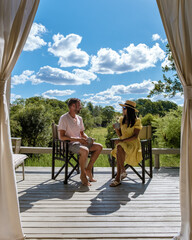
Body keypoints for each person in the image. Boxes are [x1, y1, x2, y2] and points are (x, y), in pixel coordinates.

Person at [58, 98, 103, 186]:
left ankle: (88, 169)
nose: (81, 107)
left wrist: (88, 139)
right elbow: (62, 136)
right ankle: (83, 176)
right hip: (68, 144)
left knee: (99, 147)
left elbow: (82, 133)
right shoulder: (64, 118)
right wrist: (78, 139)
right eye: (79, 105)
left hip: (80, 144)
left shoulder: (79, 118)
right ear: (73, 106)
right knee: (85, 150)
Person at [110, 100, 142, 187]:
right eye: (122, 108)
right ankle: (122, 172)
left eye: (124, 108)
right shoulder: (121, 119)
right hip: (123, 144)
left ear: (129, 110)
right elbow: (120, 135)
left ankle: (118, 177)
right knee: (120, 148)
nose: (122, 109)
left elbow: (135, 136)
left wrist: (122, 141)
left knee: (119, 147)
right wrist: (116, 129)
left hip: (133, 144)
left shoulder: (137, 120)